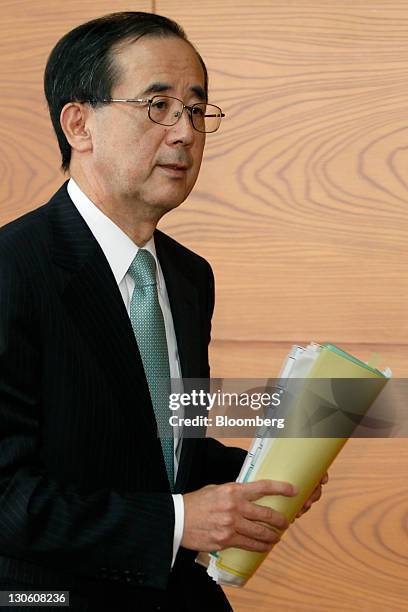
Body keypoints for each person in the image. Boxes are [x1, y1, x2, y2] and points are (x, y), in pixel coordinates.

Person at [0, 12, 326, 612]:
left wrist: (264, 478)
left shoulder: (187, 275)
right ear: (80, 125)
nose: (184, 133)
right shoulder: (13, 268)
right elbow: (8, 497)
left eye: (196, 110)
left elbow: (169, 452)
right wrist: (180, 523)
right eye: (158, 106)